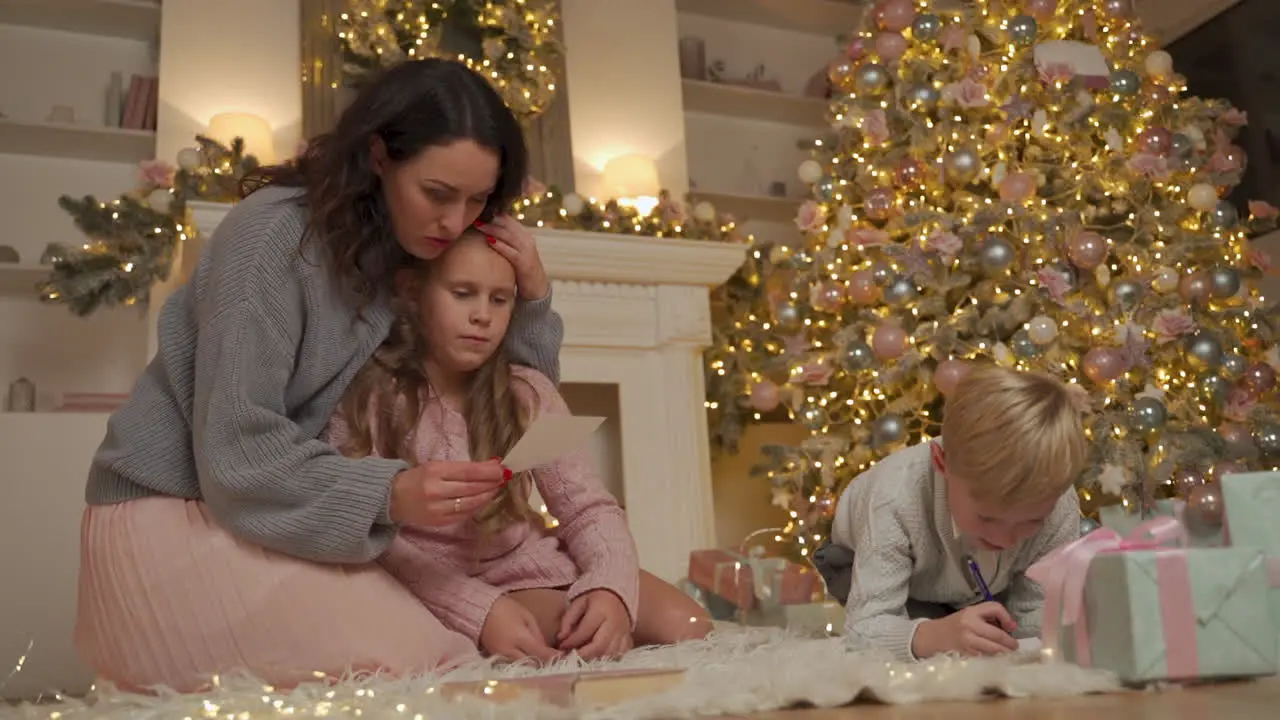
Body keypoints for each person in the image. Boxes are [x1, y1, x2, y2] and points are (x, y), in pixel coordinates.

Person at [74, 59, 564, 692]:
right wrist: (389, 494)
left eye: (476, 201)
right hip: (170, 518)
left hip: (266, 521)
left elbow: (514, 411)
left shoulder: (407, 258)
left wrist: (533, 296)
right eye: (438, 194)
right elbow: (236, 452)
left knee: (472, 649)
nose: (454, 221)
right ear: (380, 157)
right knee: (439, 671)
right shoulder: (272, 237)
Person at [327, 230, 713, 664]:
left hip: (533, 565)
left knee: (692, 626)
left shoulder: (529, 391)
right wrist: (479, 610)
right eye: (462, 294)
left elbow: (588, 507)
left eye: (499, 299)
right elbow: (371, 536)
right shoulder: (369, 400)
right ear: (413, 292)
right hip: (437, 586)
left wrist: (610, 588)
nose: (482, 316)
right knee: (573, 642)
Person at [813, 365, 1086, 662]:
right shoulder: (893, 496)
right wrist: (934, 636)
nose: (1005, 538)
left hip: (982, 584)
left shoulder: (1059, 505)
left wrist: (1037, 635)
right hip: (862, 565)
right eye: (987, 517)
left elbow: (1038, 614)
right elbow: (863, 632)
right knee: (914, 638)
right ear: (942, 464)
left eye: (1033, 520)